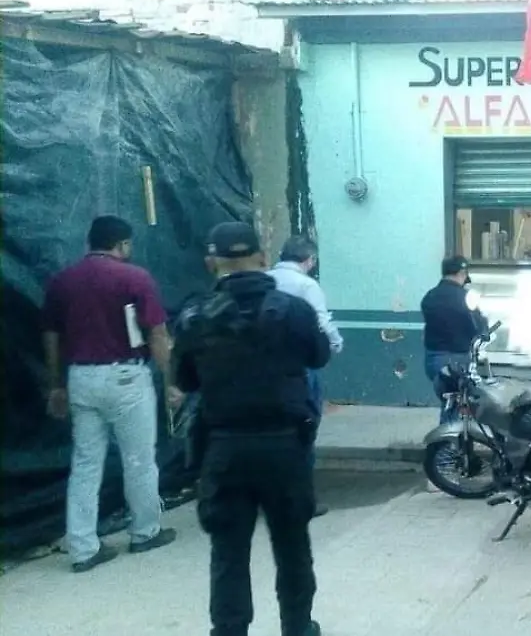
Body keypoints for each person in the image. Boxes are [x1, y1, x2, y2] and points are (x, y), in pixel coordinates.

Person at [174, 222, 328, 636]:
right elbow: (319, 356)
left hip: (224, 449)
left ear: (212, 263)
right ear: (262, 258)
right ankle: (297, 627)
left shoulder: (194, 316)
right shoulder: (293, 310)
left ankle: (230, 630)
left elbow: (185, 380)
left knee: (228, 551)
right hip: (284, 447)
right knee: (292, 544)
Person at [41, 215, 181, 573]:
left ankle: (83, 549)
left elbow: (52, 336)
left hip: (80, 378)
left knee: (85, 464)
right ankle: (145, 532)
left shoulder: (63, 281)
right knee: (139, 460)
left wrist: (56, 384)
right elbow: (157, 333)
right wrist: (170, 381)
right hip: (126, 377)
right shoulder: (135, 277)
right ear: (123, 245)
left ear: (90, 243)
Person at [268, 236, 343, 518]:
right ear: (309, 260)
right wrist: (335, 343)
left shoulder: (265, 280)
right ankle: (301, 499)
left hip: (267, 367)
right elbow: (320, 321)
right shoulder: (306, 285)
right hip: (301, 367)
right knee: (304, 429)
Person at [420, 255, 487, 424]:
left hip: (433, 361)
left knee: (450, 402)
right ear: (462, 273)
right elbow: (479, 327)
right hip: (458, 360)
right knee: (459, 403)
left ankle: (448, 436)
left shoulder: (429, 296)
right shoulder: (467, 297)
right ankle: (449, 438)